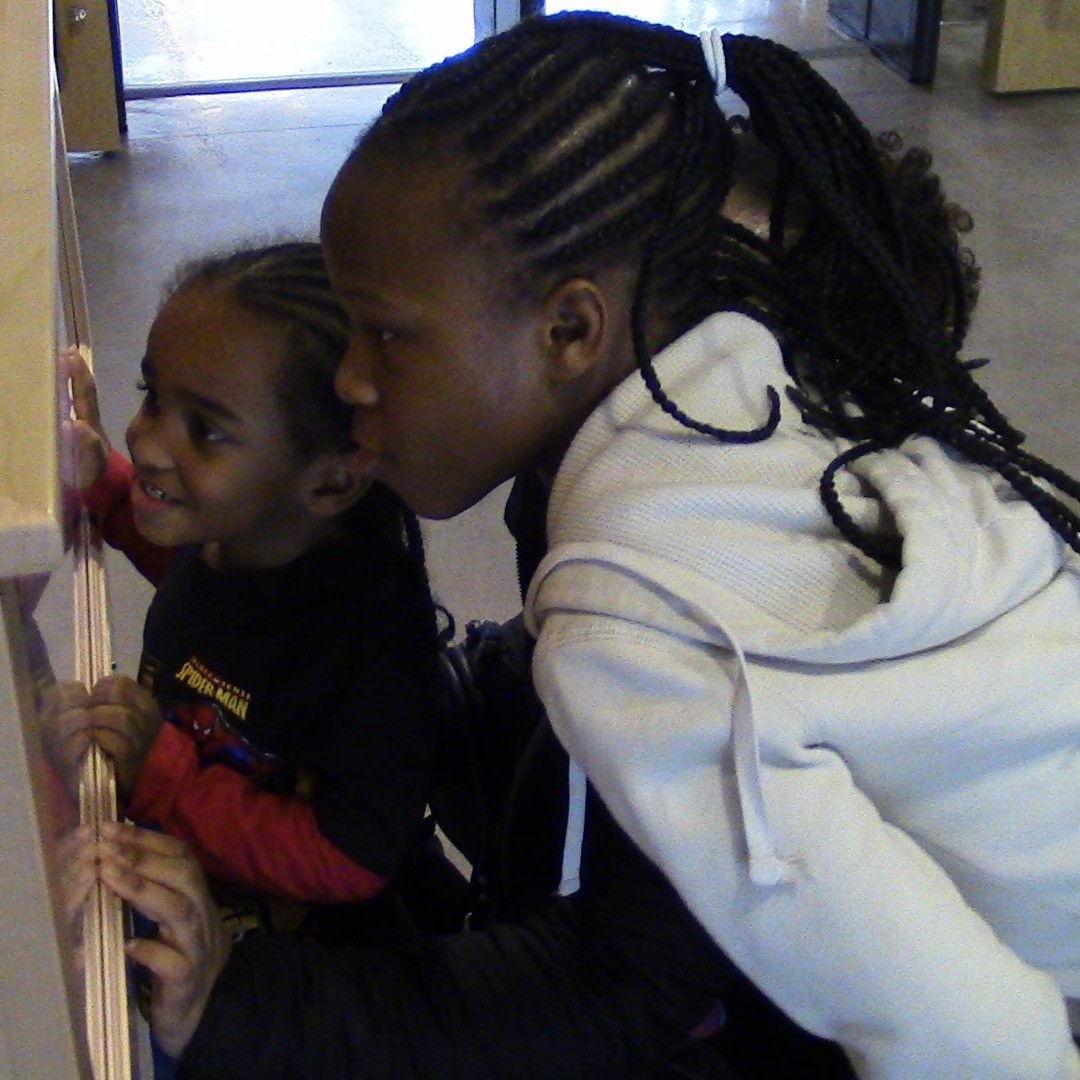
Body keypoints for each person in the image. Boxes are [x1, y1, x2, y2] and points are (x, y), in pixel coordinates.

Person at [91, 13, 1080, 1079]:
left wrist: (241, 1001)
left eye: (385, 332)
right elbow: (557, 709)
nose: (349, 380)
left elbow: (630, 984)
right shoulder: (706, 408)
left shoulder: (663, 618)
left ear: (571, 330)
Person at [45, 242, 445, 932]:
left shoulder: (367, 645)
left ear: (329, 480)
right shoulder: (237, 536)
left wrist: (160, 775)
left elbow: (351, 860)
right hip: (181, 849)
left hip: (291, 952)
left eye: (203, 430)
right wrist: (105, 489)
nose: (146, 441)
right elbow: (192, 580)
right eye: (152, 396)